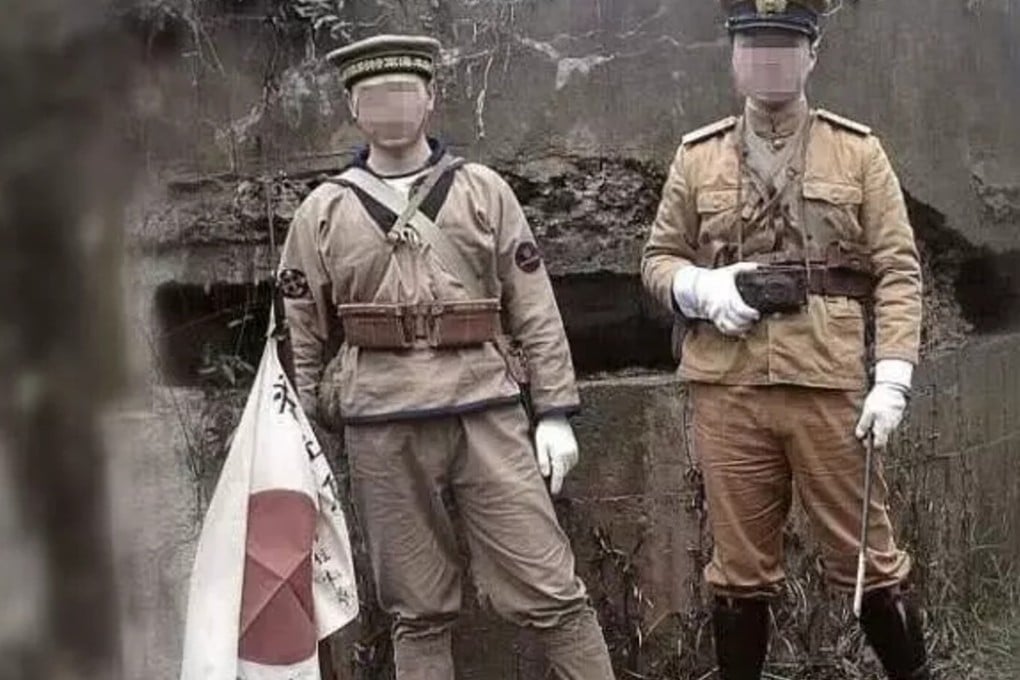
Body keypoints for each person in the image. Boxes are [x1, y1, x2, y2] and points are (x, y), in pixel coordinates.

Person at [276, 33, 616, 680]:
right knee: (417, 609)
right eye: (373, 96)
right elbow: (299, 323)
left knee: (553, 589)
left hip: (485, 409)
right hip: (382, 422)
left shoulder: (482, 191)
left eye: (403, 93)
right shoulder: (323, 211)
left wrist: (553, 411)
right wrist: (316, 410)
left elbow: (532, 302)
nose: (391, 107)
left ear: (430, 100)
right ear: (353, 109)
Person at [641, 2, 929, 678]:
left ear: (812, 55)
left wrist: (892, 375)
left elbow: (897, 267)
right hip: (729, 390)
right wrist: (699, 290)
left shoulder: (857, 151)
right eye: (754, 47)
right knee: (738, 574)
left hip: (827, 387)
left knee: (867, 559)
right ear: (734, 56)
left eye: (784, 47)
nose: (768, 61)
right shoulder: (696, 155)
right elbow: (657, 257)